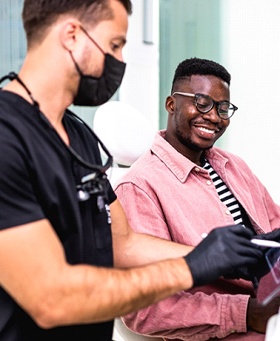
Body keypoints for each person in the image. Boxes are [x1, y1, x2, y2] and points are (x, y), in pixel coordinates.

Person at [115, 57, 280, 340]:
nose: (214, 117)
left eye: (223, 107)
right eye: (201, 103)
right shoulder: (139, 187)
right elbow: (144, 310)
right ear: (171, 105)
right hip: (236, 328)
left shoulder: (233, 165)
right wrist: (246, 313)